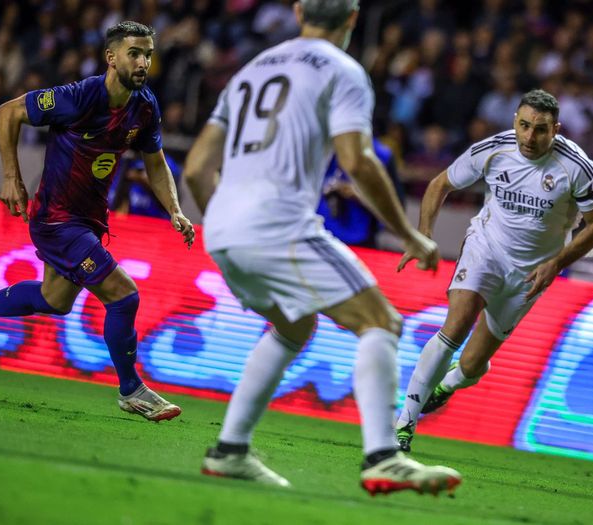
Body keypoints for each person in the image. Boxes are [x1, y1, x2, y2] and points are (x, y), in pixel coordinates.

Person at [182, 0, 460, 495]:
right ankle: (383, 457)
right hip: (279, 225)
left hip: (222, 229)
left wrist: (227, 224)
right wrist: (409, 233)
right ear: (353, 18)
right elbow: (357, 159)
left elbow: (197, 170)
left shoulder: (251, 69)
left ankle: (229, 450)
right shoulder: (343, 69)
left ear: (297, 11)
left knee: (294, 324)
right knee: (381, 321)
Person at [0, 22, 195, 422]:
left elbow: (155, 164)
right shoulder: (80, 96)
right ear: (112, 57)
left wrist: (174, 209)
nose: (143, 62)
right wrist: (10, 177)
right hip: (57, 220)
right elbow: (9, 112)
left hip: (88, 221)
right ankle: (131, 390)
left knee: (55, 301)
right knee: (124, 295)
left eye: (149, 54)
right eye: (135, 53)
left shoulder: (145, 105)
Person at [394, 89, 593, 452]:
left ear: (555, 129)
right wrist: (424, 235)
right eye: (524, 126)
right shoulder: (494, 149)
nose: (529, 137)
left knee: (474, 364)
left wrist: (555, 263)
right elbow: (439, 184)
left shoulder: (577, 167)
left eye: (540, 129)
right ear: (514, 121)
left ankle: (452, 382)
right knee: (456, 325)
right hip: (486, 249)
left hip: (532, 272)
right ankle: (403, 425)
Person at [316, 138, 400, 248]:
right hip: (321, 235)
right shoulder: (325, 149)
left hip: (361, 240)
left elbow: (396, 212)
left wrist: (360, 196)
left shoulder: (381, 155)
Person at [109, 153, 183, 219]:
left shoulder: (166, 162)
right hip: (129, 220)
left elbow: (173, 197)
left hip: (157, 221)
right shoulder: (124, 160)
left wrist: (145, 180)